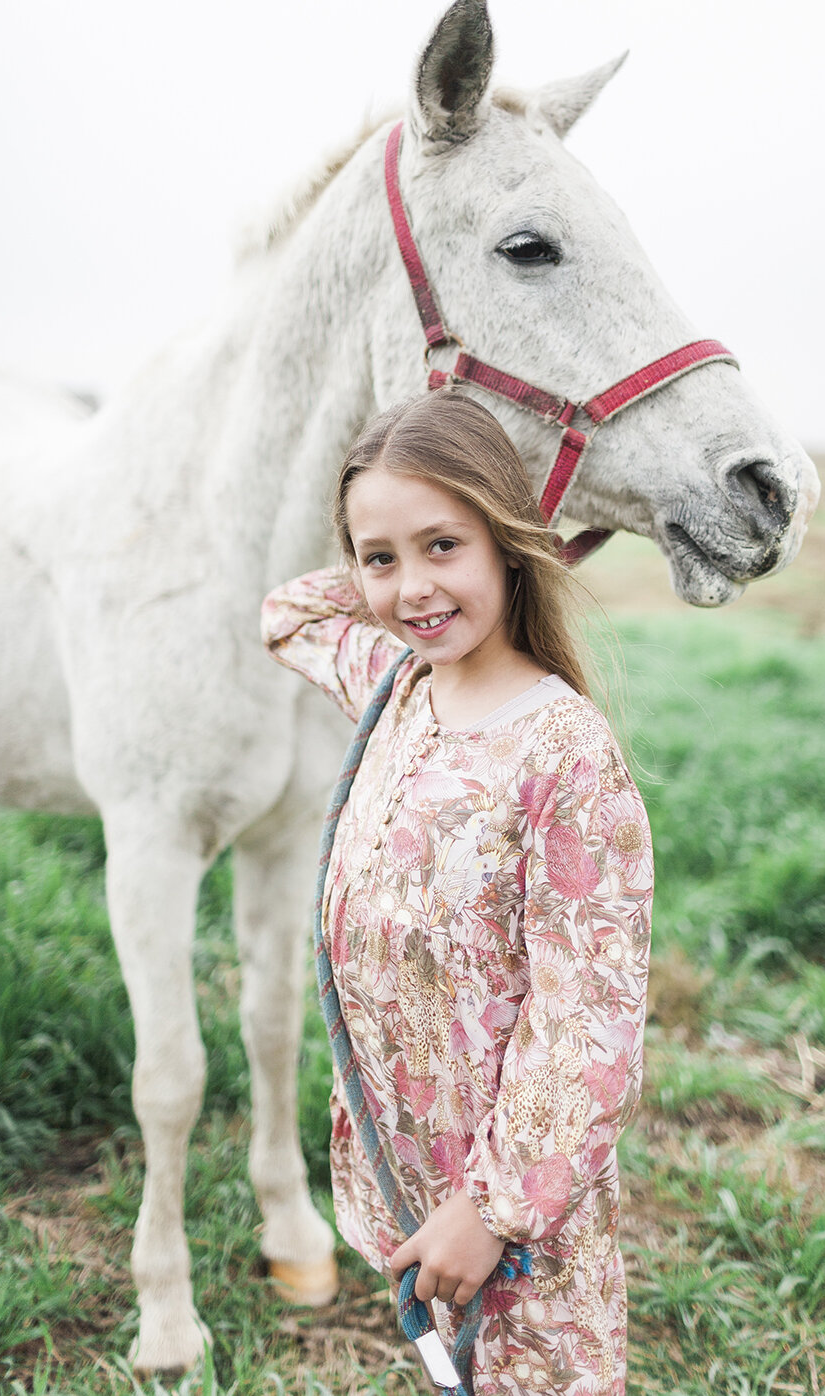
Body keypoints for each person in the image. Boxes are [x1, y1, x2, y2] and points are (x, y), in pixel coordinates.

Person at [261, 389, 653, 1396]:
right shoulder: (396, 683)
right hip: (408, 1173)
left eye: (445, 545)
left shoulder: (561, 754)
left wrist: (495, 1209)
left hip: (518, 1206)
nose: (410, 587)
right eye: (379, 557)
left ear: (507, 542)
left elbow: (588, 1023)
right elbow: (290, 611)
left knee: (534, 1374)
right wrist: (395, 578)